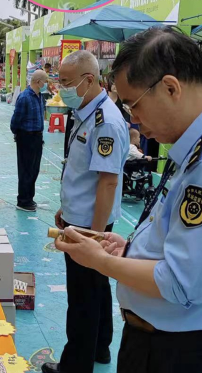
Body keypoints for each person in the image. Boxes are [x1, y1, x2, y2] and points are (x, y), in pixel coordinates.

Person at [55, 26, 202, 373]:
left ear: (171, 88)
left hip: (170, 350)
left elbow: (182, 282)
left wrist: (101, 261)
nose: (133, 120)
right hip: (169, 340)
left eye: (133, 105)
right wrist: (129, 249)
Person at [42, 51, 129, 373]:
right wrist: (67, 208)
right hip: (79, 218)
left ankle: (75, 365)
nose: (60, 88)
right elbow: (82, 174)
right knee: (96, 290)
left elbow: (107, 183)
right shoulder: (85, 113)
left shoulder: (105, 122)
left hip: (88, 226)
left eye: (65, 82)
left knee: (82, 299)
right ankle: (101, 348)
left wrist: (93, 236)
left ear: (88, 80)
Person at [10, 70, 48, 212]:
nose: (47, 84)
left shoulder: (39, 96)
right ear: (38, 82)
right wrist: (19, 135)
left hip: (37, 137)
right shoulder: (25, 97)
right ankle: (23, 201)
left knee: (34, 169)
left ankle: (29, 197)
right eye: (45, 81)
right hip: (26, 137)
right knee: (25, 169)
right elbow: (15, 120)